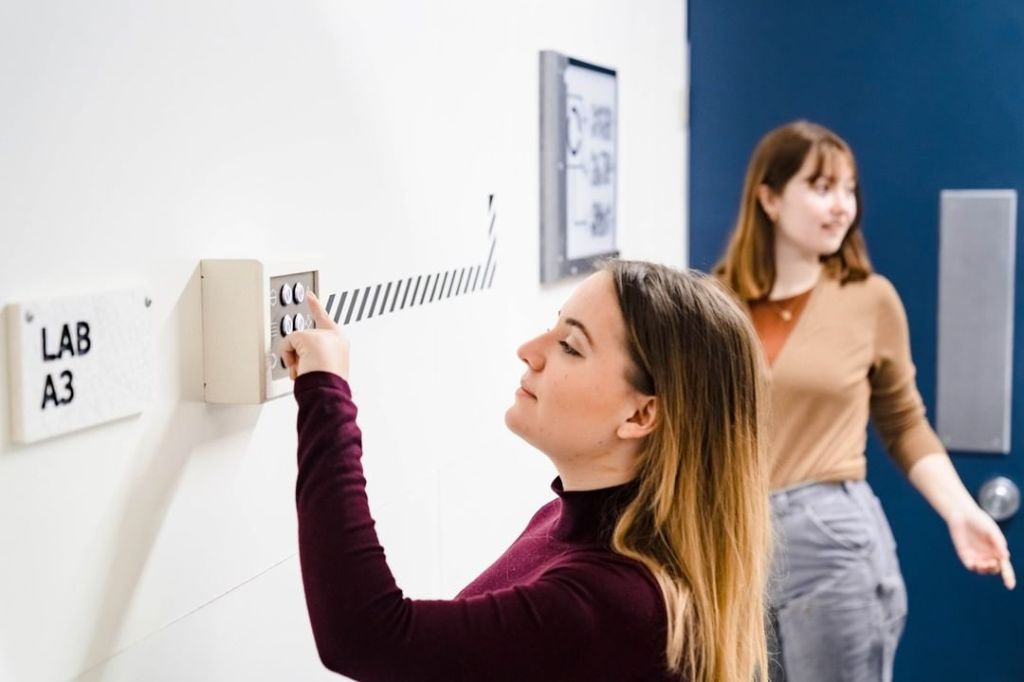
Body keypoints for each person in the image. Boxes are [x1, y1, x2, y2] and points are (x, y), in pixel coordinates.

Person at [279, 260, 772, 682]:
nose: (530, 350)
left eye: (571, 346)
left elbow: (366, 635)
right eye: (554, 326)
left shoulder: (618, 602)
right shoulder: (561, 522)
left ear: (641, 416)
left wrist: (326, 391)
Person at [715, 120, 1015, 682]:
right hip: (735, 543)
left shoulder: (870, 299)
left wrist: (960, 511)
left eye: (849, 189)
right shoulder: (717, 301)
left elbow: (905, 424)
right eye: (822, 187)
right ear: (771, 197)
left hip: (831, 542)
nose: (841, 207)